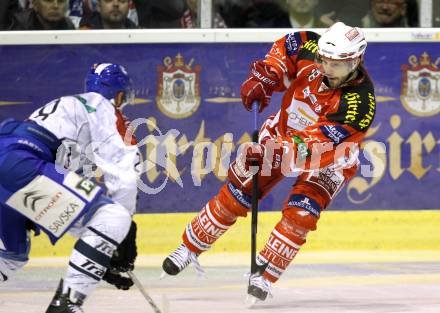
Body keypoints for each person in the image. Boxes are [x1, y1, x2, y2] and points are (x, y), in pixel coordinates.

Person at [161, 22, 376, 303]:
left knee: (302, 213)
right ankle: (189, 247)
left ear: (356, 60)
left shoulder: (358, 105)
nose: (326, 67)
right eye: (324, 59)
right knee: (238, 192)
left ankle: (265, 273)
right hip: (283, 132)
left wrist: (273, 152)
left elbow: (314, 145)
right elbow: (285, 50)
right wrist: (266, 76)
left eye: (335, 64)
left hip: (328, 157)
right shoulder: (309, 45)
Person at [0, 63, 140, 313]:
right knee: (112, 216)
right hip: (19, 163)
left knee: (10, 254)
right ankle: (67, 305)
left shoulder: (67, 107)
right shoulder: (103, 107)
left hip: (11, 161)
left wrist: (100, 256)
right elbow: (124, 173)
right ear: (119, 95)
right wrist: (124, 228)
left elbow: (70, 204)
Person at [9, 0, 75, 30]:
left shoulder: (68, 25)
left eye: (61, 1)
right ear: (35, 4)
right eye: (48, 1)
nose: (56, 6)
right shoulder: (21, 24)